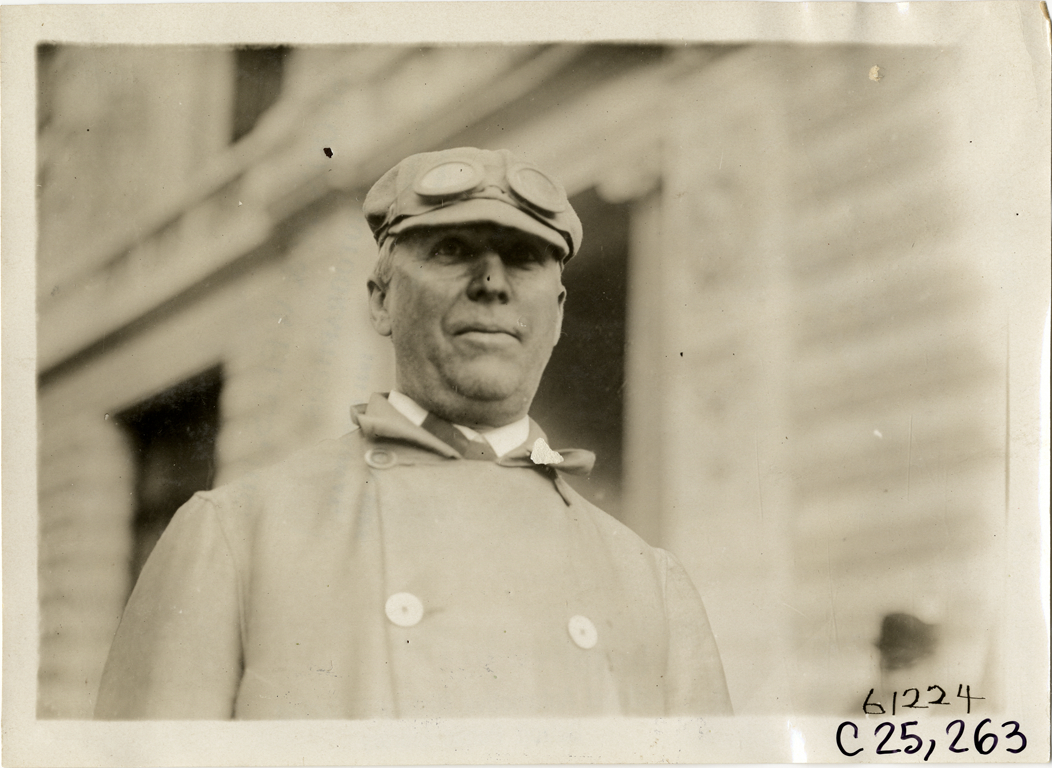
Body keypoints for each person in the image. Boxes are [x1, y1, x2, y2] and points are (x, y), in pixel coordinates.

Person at [94, 147, 732, 719]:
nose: (491, 284)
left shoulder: (653, 585)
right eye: (452, 251)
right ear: (379, 300)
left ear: (558, 314)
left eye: (524, 258)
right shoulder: (234, 537)